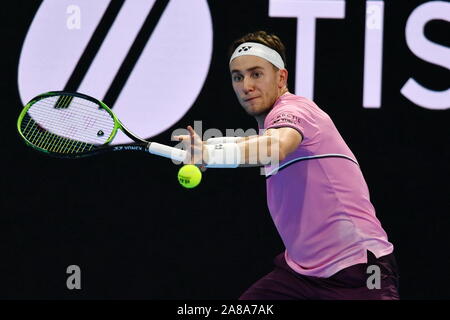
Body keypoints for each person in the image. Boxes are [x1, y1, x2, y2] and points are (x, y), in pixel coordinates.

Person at [174, 31, 399, 300]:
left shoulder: (296, 110)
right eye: (238, 76)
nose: (246, 85)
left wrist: (210, 153)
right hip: (300, 276)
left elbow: (275, 147)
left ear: (281, 77)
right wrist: (210, 150)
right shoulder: (268, 127)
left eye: (256, 74)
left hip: (361, 271)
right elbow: (259, 143)